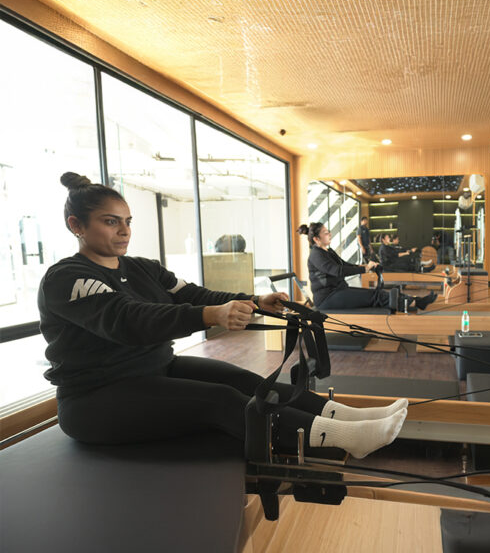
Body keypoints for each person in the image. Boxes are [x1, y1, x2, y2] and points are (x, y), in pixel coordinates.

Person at [38, 172, 407, 459]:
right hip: (96, 400)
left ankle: (347, 416)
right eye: (110, 221)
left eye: (128, 220)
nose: (124, 230)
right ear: (76, 226)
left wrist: (254, 300)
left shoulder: (141, 268)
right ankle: (341, 440)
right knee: (221, 402)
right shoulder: (66, 279)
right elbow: (129, 319)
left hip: (155, 369)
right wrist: (210, 315)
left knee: (249, 382)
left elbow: (193, 294)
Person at [300, 223, 436, 311]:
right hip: (327, 298)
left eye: (328, 231)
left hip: (339, 290)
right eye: (325, 232)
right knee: (375, 297)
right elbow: (338, 271)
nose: (329, 233)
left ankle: (416, 301)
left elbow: (344, 265)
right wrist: (364, 269)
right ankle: (412, 304)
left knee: (378, 294)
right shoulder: (316, 255)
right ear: (317, 239)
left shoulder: (328, 251)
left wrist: (365, 266)